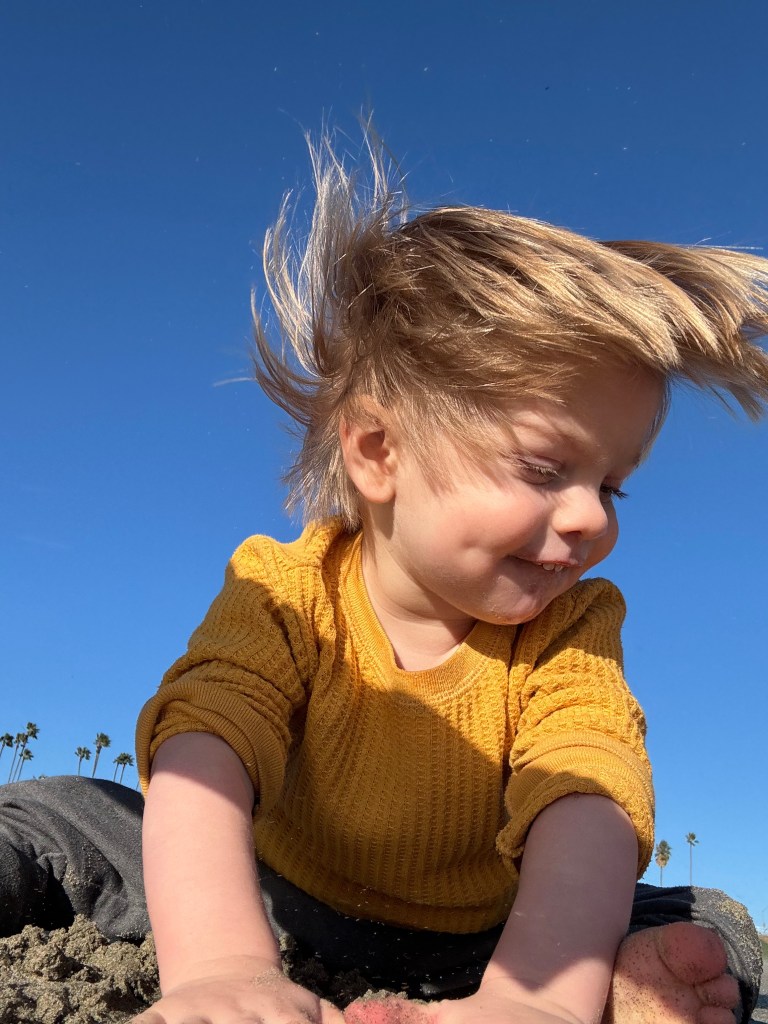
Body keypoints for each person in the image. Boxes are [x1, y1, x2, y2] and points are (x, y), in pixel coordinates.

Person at [1, 133, 766, 1024]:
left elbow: (586, 784)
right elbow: (207, 742)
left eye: (612, 486)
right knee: (59, 813)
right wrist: (222, 966)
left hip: (491, 939)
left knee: (707, 916)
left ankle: (617, 985)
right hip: (267, 897)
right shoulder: (286, 590)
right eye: (544, 468)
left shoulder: (572, 626)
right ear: (377, 452)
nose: (593, 519)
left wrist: (533, 1000)